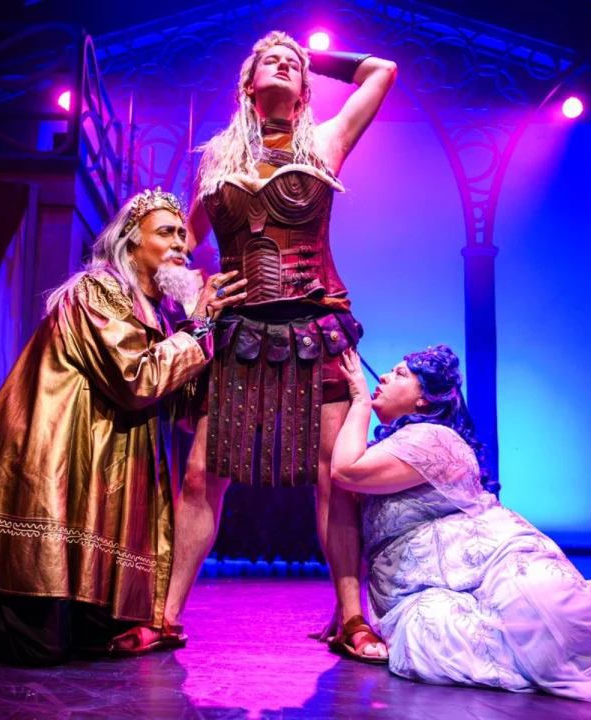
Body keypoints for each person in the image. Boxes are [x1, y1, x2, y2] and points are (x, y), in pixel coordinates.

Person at [0, 188, 247, 665]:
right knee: (41, 649)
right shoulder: (95, 291)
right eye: (167, 233)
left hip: (107, 473)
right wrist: (198, 327)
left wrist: (218, 332)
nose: (181, 245)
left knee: (94, 639)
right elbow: (137, 379)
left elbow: (173, 400)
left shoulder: (159, 312)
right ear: (131, 242)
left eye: (183, 235)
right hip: (62, 454)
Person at [128, 30, 398, 664]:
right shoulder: (218, 160)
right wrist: (191, 294)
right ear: (248, 85)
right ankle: (166, 618)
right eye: (269, 61)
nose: (283, 65)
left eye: (293, 67)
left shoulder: (326, 140)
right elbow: (177, 246)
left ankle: (351, 618)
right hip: (240, 336)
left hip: (316, 327)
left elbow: (382, 71)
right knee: (201, 477)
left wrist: (311, 54)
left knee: (338, 476)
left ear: (305, 91)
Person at [329, 344, 591, 707]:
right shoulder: (386, 446)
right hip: (416, 586)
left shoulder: (435, 438)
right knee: (438, 642)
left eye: (400, 373)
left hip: (488, 561)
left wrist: (360, 401)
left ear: (425, 400)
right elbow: (343, 473)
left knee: (539, 606)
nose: (383, 375)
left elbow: (345, 470)